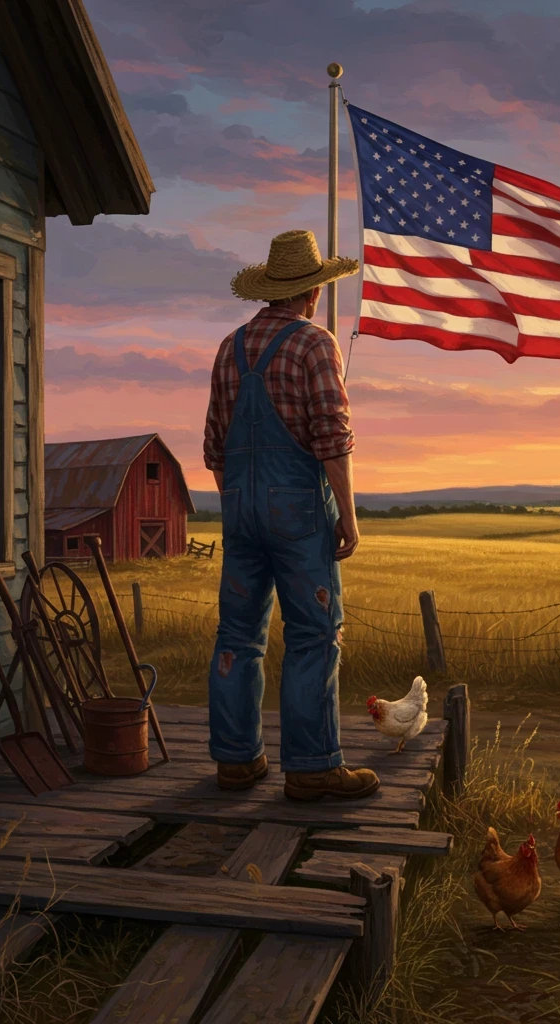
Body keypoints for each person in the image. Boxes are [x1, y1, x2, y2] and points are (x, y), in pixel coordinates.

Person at [202, 228, 379, 801]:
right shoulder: (315, 343)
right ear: (312, 292)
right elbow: (333, 437)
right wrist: (346, 516)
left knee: (237, 633)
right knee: (313, 634)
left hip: (239, 511)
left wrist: (240, 505)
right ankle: (310, 767)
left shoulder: (229, 347)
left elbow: (214, 448)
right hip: (298, 511)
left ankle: (236, 760)